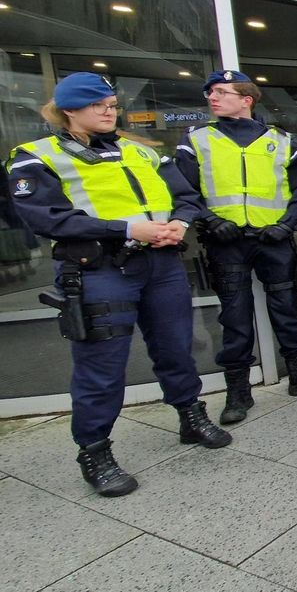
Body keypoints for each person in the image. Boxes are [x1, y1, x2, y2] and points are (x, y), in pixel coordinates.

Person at [6, 73, 230, 497]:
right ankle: (94, 451)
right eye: (99, 106)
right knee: (101, 369)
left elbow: (186, 196)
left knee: (176, 348)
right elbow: (46, 217)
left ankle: (190, 416)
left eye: (112, 105)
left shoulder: (140, 150)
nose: (110, 112)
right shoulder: (35, 156)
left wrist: (179, 224)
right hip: (99, 271)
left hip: (162, 264)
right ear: (69, 109)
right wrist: (128, 228)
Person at [177, 70, 297, 425]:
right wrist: (209, 220)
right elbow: (182, 190)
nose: (212, 98)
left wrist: (286, 224)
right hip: (225, 243)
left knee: (287, 309)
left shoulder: (281, 140)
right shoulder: (197, 140)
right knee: (234, 315)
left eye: (221, 92)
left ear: (246, 99)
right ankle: (238, 390)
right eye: (209, 93)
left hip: (273, 241)